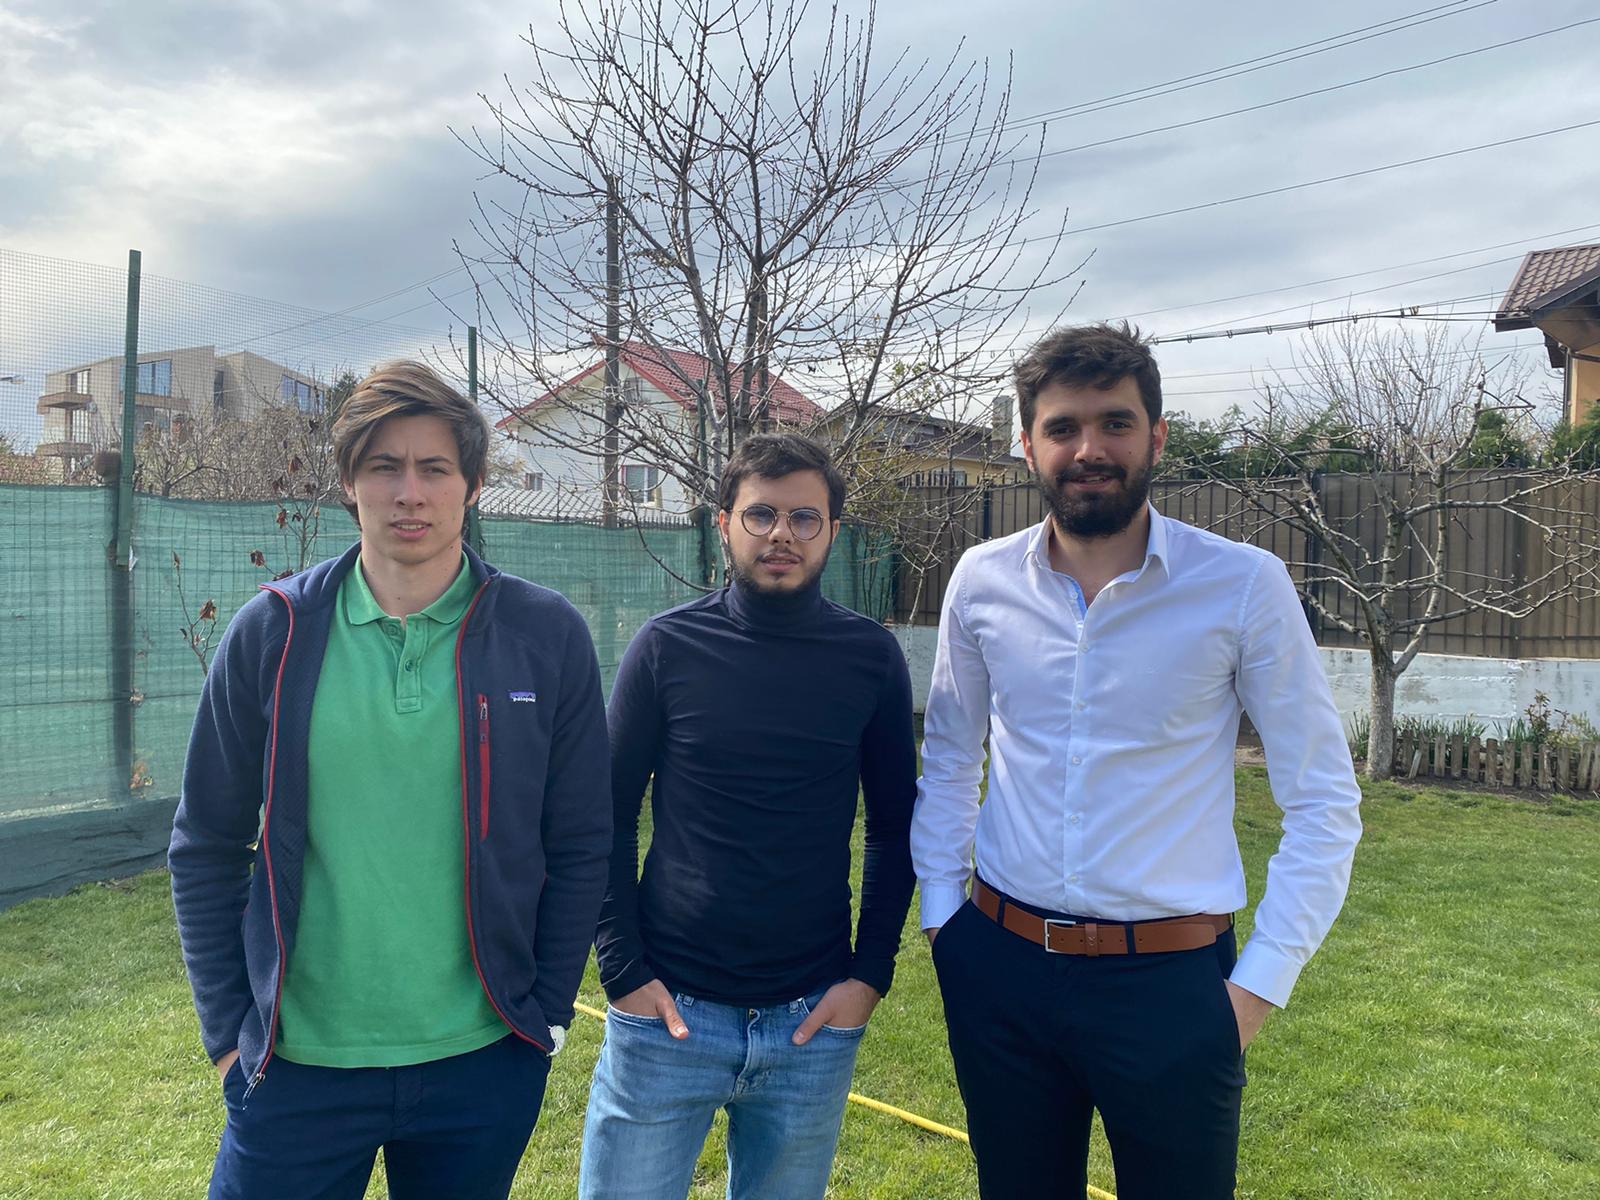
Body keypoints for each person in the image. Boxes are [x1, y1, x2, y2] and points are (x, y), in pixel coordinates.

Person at [912, 323, 1363, 1199]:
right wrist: (943, 919)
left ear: (1157, 437)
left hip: (1171, 984)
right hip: (1000, 968)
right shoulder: (979, 579)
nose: (1089, 449)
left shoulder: (1243, 585)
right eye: (1063, 427)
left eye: (1115, 423)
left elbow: (1322, 801)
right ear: (1027, 444)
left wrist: (1256, 988)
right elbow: (952, 754)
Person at [168, 361, 612, 1200]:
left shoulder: (544, 634)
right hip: (298, 1064)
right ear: (349, 482)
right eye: (385, 466)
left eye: (435, 468)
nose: (410, 492)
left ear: (472, 485)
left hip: (482, 1059)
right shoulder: (273, 632)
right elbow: (205, 844)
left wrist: (548, 1012)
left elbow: (583, 838)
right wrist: (228, 1034)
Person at [579, 433, 917, 1200]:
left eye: (805, 517)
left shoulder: (870, 658)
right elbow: (604, 815)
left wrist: (869, 976)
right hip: (668, 1016)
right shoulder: (666, 647)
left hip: (811, 1023)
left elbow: (895, 828)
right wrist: (623, 971)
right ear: (725, 522)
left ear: (833, 531)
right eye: (761, 514)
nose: (781, 535)